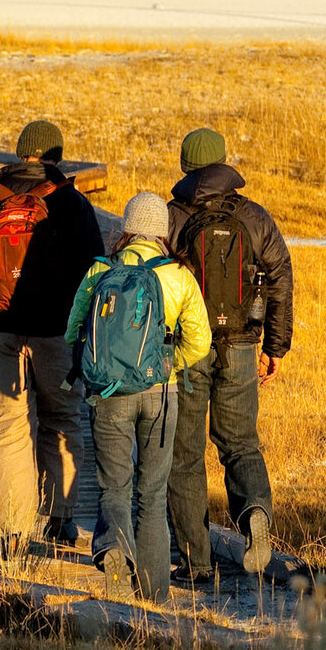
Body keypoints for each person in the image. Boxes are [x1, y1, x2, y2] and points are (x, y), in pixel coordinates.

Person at [0, 119, 104, 555]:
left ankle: (14, 532)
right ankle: (60, 519)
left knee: (8, 428)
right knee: (63, 420)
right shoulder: (71, 203)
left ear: (20, 152)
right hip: (57, 331)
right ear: (56, 155)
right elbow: (96, 271)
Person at [62, 192, 211, 598]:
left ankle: (113, 550)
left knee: (115, 488)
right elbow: (201, 341)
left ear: (126, 227)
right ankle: (155, 593)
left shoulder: (101, 270)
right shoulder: (178, 276)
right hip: (160, 393)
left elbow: (73, 328)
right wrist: (167, 364)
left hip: (109, 392)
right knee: (153, 492)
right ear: (162, 231)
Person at [165, 126, 295, 582]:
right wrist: (275, 346)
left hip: (186, 350)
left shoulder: (173, 218)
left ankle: (196, 563)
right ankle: (254, 515)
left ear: (185, 166)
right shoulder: (256, 218)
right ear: (224, 162)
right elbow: (280, 278)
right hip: (242, 346)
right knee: (240, 444)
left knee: (184, 456)